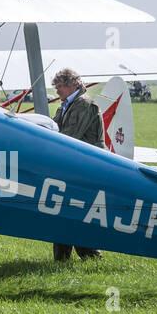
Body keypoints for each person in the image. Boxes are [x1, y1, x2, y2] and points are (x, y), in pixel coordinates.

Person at [50, 68, 103, 261]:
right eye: (56, 87)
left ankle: (90, 256)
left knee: (74, 212)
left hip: (84, 167)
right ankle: (62, 258)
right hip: (71, 166)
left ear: (74, 84)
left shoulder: (84, 104)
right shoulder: (65, 105)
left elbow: (68, 137)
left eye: (60, 86)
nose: (57, 91)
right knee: (62, 211)